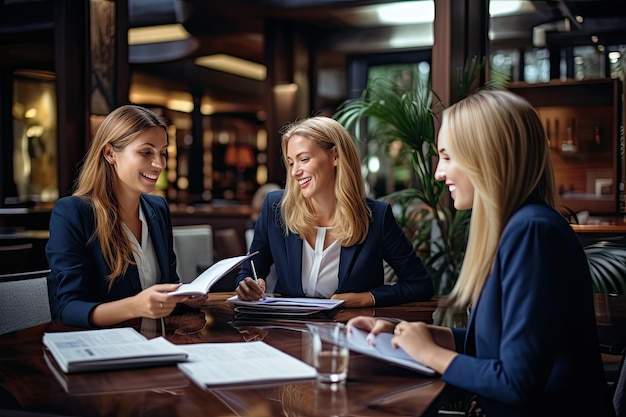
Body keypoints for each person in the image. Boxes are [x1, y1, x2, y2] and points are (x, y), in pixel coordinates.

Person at [347, 90, 611, 416]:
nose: (438, 174)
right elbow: (496, 348)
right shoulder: (519, 227)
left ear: (486, 156)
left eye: (447, 156)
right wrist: (410, 334)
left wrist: (429, 353)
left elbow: (516, 382)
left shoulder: (532, 231)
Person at [235, 116, 433, 307]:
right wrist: (247, 285)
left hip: (348, 332)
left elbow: (420, 284)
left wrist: (368, 298)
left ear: (335, 156)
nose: (295, 172)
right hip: (287, 331)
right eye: (291, 163)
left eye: (303, 159)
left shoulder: (377, 217)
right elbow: (249, 272)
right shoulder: (276, 207)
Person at [46, 104, 206, 329]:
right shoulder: (73, 212)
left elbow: (168, 283)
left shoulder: (158, 208)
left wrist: (183, 297)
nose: (159, 164)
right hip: (105, 349)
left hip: (158, 343)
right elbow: (67, 308)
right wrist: (135, 306)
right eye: (146, 152)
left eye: (163, 153)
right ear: (110, 153)